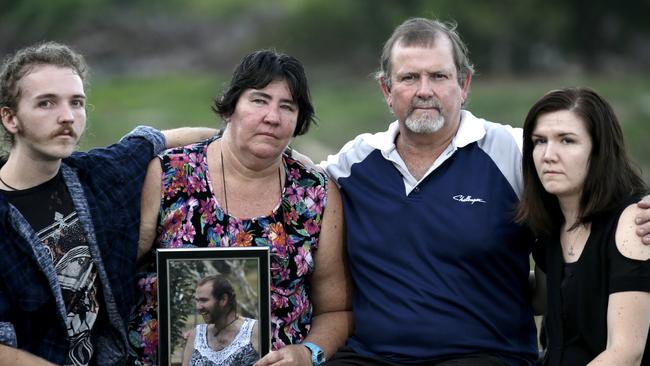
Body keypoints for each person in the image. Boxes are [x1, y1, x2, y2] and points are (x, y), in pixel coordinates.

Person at [320, 18, 650, 366]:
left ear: (464, 84)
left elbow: (603, 183)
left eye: (439, 76)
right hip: (370, 357)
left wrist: (643, 210)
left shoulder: (515, 150)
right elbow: (287, 181)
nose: (424, 90)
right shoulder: (354, 162)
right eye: (408, 78)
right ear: (387, 91)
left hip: (483, 355)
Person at [0, 42, 217, 366]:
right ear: (10, 118)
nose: (67, 116)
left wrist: (278, 153)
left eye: (77, 103)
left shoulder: (95, 174)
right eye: (46, 103)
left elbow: (158, 138)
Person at [132, 49, 353, 366]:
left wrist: (309, 353)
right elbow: (117, 273)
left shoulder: (315, 193)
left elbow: (336, 310)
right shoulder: (168, 174)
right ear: (230, 108)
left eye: (286, 107)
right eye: (259, 100)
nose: (272, 117)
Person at [517, 87, 650, 365]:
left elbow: (626, 353)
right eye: (539, 141)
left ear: (600, 150)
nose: (548, 155)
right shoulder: (550, 226)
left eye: (567, 141)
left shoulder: (634, 222)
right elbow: (542, 298)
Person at [182, 275, 259, 366]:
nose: (198, 307)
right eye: (197, 301)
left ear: (223, 299)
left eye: (204, 300)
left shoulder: (254, 330)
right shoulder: (196, 335)